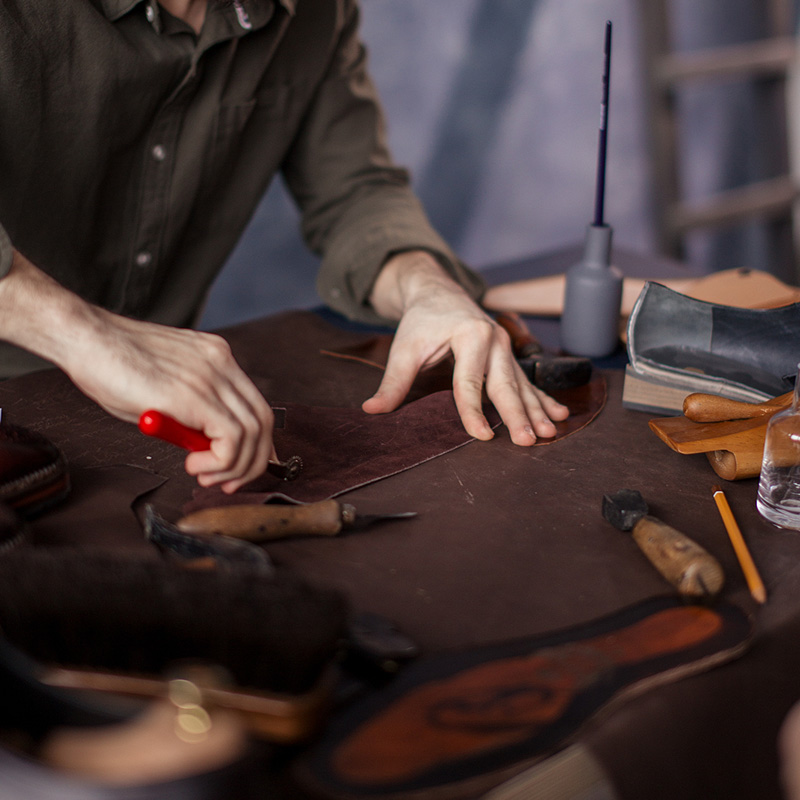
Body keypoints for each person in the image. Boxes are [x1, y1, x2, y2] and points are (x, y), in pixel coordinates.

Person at [0, 0, 569, 494]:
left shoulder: (315, 12)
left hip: (168, 418)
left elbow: (354, 192)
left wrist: (428, 288)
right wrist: (89, 336)